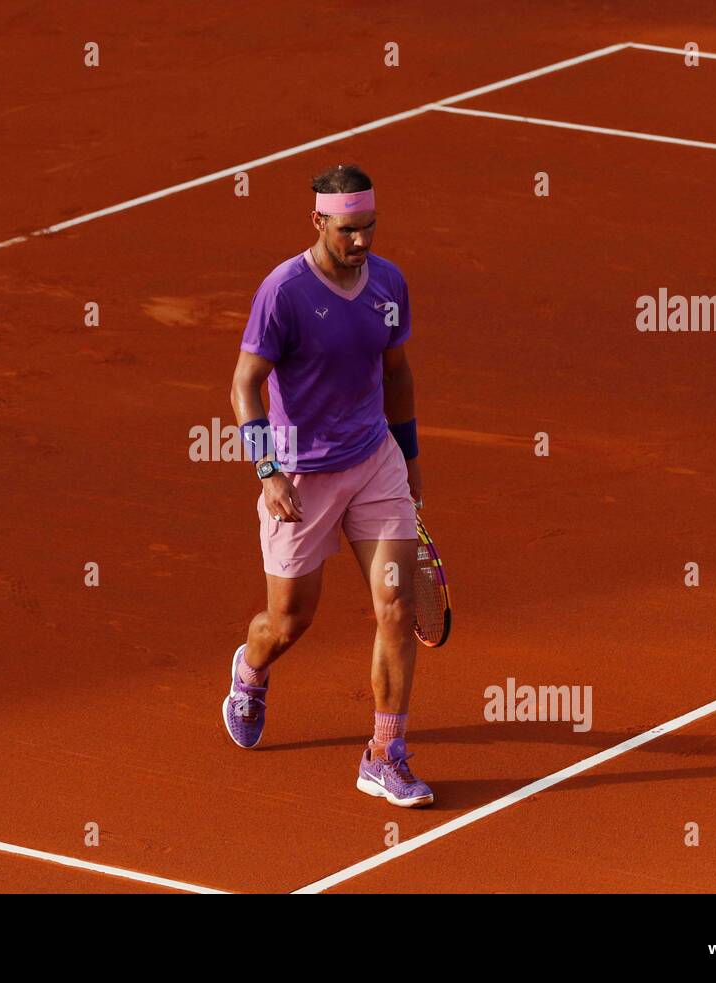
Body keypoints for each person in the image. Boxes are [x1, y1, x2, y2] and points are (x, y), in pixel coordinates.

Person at [223, 163, 433, 808]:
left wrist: (409, 454)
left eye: (369, 228)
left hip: (374, 461)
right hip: (300, 476)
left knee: (395, 608)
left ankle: (384, 756)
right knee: (289, 621)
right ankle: (251, 672)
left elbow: (396, 372)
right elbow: (245, 385)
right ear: (318, 221)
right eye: (348, 231)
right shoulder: (283, 292)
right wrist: (267, 470)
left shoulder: (388, 282)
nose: (362, 242)